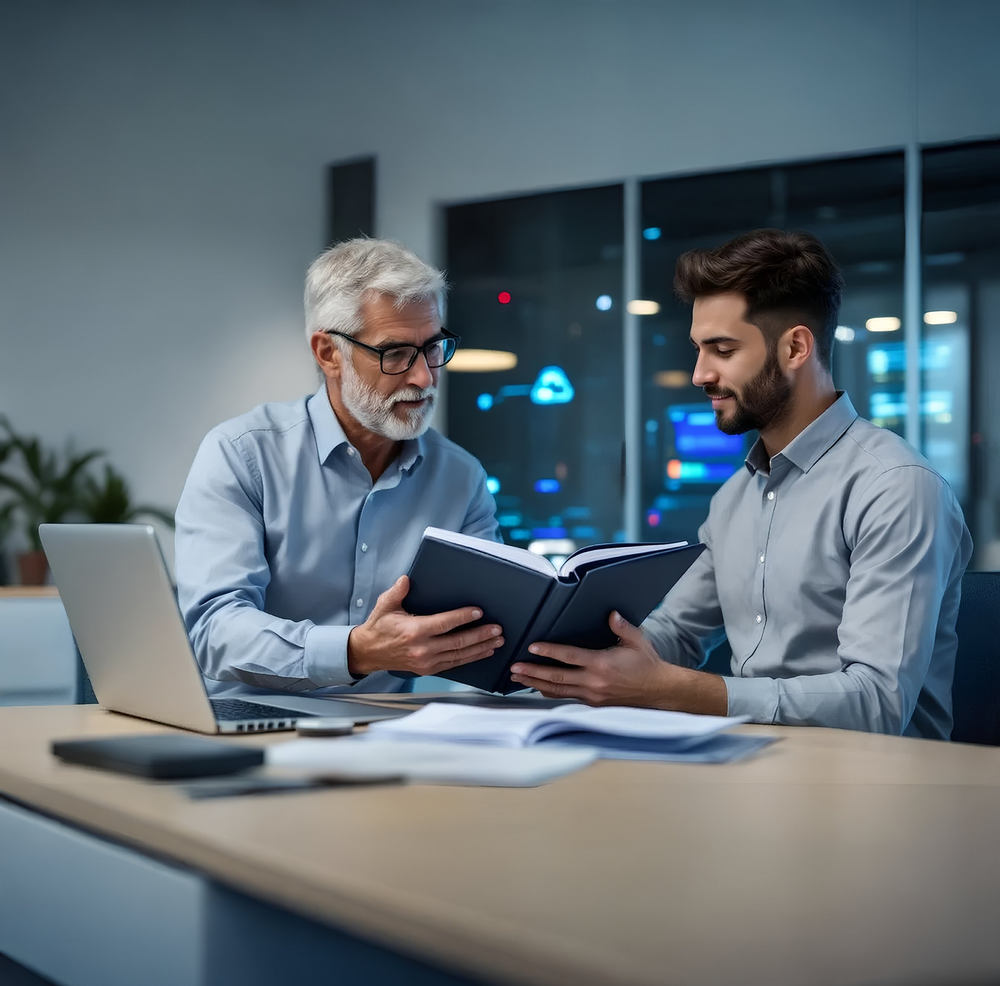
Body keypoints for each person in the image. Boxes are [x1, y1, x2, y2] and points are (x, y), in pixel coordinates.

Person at [511, 229, 972, 738]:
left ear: (796, 347)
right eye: (698, 349)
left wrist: (668, 689)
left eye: (722, 350)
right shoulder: (735, 497)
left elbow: (878, 703)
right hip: (749, 764)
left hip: (877, 784)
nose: (698, 374)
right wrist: (569, 662)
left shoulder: (896, 488)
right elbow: (676, 632)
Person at [175, 238, 504, 697]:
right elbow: (213, 632)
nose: (424, 377)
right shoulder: (241, 455)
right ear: (329, 353)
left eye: (433, 348)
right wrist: (356, 651)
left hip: (390, 733)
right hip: (259, 727)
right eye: (395, 354)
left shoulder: (462, 478)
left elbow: (491, 629)